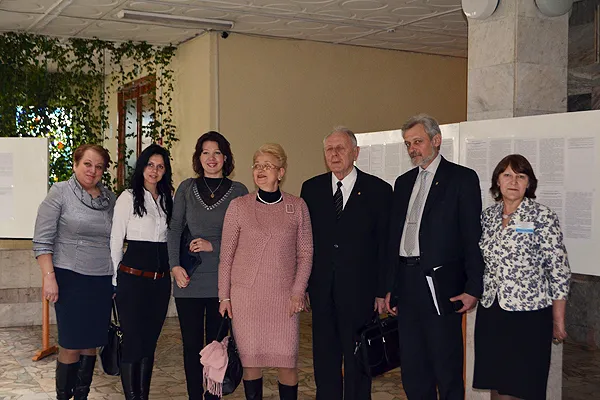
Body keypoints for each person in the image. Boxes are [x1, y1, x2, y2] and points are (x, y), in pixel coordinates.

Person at [385, 114, 484, 400]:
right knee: (413, 367)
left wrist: (473, 287)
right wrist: (390, 286)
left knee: (446, 364)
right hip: (407, 282)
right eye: (408, 144)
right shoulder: (403, 183)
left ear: (436, 140)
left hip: (440, 285)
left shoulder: (461, 179)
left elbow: (471, 237)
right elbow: (394, 239)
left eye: (418, 141)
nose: (412, 149)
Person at [300, 127, 392, 400]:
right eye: (329, 149)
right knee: (324, 360)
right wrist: (303, 285)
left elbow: (385, 245)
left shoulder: (378, 190)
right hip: (322, 292)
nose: (334, 154)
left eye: (341, 148)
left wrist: (382, 290)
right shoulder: (311, 189)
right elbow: (304, 243)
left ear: (356, 152)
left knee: (358, 362)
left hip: (360, 294)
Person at [219, 143, 313, 400]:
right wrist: (224, 296)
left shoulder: (297, 206)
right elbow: (226, 256)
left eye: (267, 166)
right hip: (246, 299)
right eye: (257, 165)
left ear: (281, 172)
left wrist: (298, 292)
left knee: (287, 363)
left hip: (285, 299)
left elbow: (305, 254)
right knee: (251, 363)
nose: (260, 171)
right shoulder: (239, 206)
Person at [473, 154, 570, 400]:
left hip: (529, 316)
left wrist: (558, 319)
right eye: (507, 175)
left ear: (529, 183)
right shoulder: (487, 217)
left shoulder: (542, 216)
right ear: (497, 181)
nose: (513, 181)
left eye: (521, 176)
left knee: (522, 385)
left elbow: (558, 270)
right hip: (492, 311)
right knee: (496, 382)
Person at [167, 131, 248, 400]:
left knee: (217, 345)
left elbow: (246, 236)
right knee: (191, 347)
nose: (211, 158)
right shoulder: (186, 188)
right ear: (198, 157)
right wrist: (174, 266)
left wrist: (214, 245)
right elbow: (174, 229)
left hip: (223, 283)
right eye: (205, 152)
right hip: (188, 279)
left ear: (225, 157)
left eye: (217, 152)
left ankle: (213, 396)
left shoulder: (239, 191)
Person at [33, 144, 115, 400]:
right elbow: (42, 240)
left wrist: (115, 281)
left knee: (90, 343)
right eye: (87, 164)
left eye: (99, 166)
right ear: (75, 164)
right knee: (70, 344)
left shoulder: (110, 199)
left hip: (101, 280)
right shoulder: (60, 192)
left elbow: (116, 239)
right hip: (69, 277)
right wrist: (49, 278)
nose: (92, 171)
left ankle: (81, 396)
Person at [110, 144, 174, 399]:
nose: (154, 171)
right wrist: (115, 280)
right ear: (142, 166)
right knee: (133, 342)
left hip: (160, 283)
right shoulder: (128, 197)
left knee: (149, 343)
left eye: (160, 166)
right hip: (132, 280)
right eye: (150, 165)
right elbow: (116, 239)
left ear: (165, 171)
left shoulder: (168, 199)